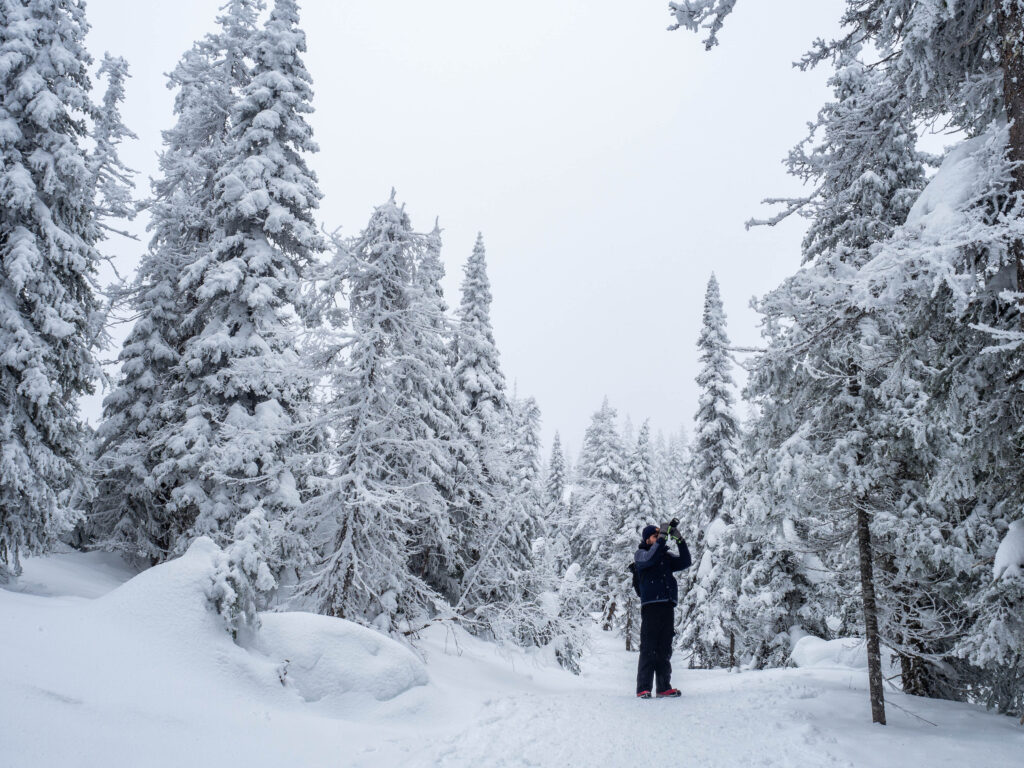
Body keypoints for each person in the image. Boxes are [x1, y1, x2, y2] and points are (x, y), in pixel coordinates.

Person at [633, 519, 691, 698]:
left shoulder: (665, 556)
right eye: (655, 536)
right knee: (649, 647)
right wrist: (663, 538)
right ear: (647, 539)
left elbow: (685, 562)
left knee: (664, 647)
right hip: (651, 605)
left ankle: (664, 686)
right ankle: (643, 688)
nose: (658, 538)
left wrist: (679, 540)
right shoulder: (641, 554)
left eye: (659, 535)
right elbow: (650, 558)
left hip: (667, 604)